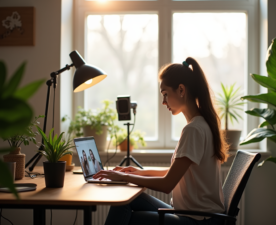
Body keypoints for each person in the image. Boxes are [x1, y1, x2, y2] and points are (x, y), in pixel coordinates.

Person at [93, 57, 229, 225]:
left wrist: (122, 177)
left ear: (181, 90)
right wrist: (135, 172)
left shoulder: (193, 129)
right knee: (124, 203)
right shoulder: (200, 124)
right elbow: (175, 173)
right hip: (194, 214)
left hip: (198, 220)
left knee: (128, 217)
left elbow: (167, 184)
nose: (163, 102)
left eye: (165, 94)